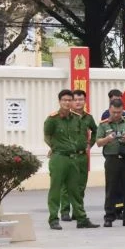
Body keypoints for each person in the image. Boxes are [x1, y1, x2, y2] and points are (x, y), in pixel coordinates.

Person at [44, 90, 99, 230]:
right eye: (65, 100)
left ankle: (81, 218)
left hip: (74, 158)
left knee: (76, 189)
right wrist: (55, 147)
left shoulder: (76, 118)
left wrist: (86, 146)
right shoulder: (52, 119)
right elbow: (47, 136)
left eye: (70, 100)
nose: (67, 103)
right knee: (56, 189)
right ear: (59, 101)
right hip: (59, 157)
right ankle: (53, 219)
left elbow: (84, 135)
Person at [94, 97, 125, 227]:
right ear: (110, 110)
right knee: (111, 189)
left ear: (122, 111)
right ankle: (109, 217)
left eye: (119, 112)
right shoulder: (103, 124)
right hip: (112, 159)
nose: (116, 115)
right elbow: (98, 143)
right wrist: (108, 139)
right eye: (114, 112)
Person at [59, 89, 98, 222]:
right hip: (68, 156)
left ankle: (78, 210)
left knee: (81, 184)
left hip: (82, 156)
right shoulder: (65, 117)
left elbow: (96, 131)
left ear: (84, 101)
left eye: (81, 99)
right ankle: (65, 211)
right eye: (75, 100)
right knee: (66, 185)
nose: (78, 102)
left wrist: (90, 144)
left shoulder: (88, 117)